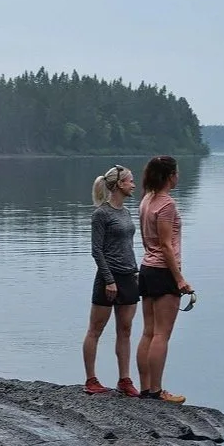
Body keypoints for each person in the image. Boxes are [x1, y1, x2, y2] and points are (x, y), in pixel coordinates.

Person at [136, 155, 194, 404]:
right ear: (170, 176)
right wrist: (179, 279)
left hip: (147, 268)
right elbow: (166, 245)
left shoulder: (146, 200)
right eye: (176, 173)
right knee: (162, 334)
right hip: (163, 271)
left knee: (148, 332)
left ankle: (146, 388)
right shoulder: (166, 204)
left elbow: (149, 240)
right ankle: (157, 391)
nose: (178, 176)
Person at [83, 164, 140, 396]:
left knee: (125, 330)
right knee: (95, 329)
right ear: (119, 185)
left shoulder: (126, 212)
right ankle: (91, 380)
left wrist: (135, 272)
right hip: (108, 278)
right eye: (130, 181)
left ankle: (124, 380)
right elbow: (97, 251)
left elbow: (127, 245)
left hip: (128, 276)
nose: (133, 185)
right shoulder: (101, 214)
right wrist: (108, 279)